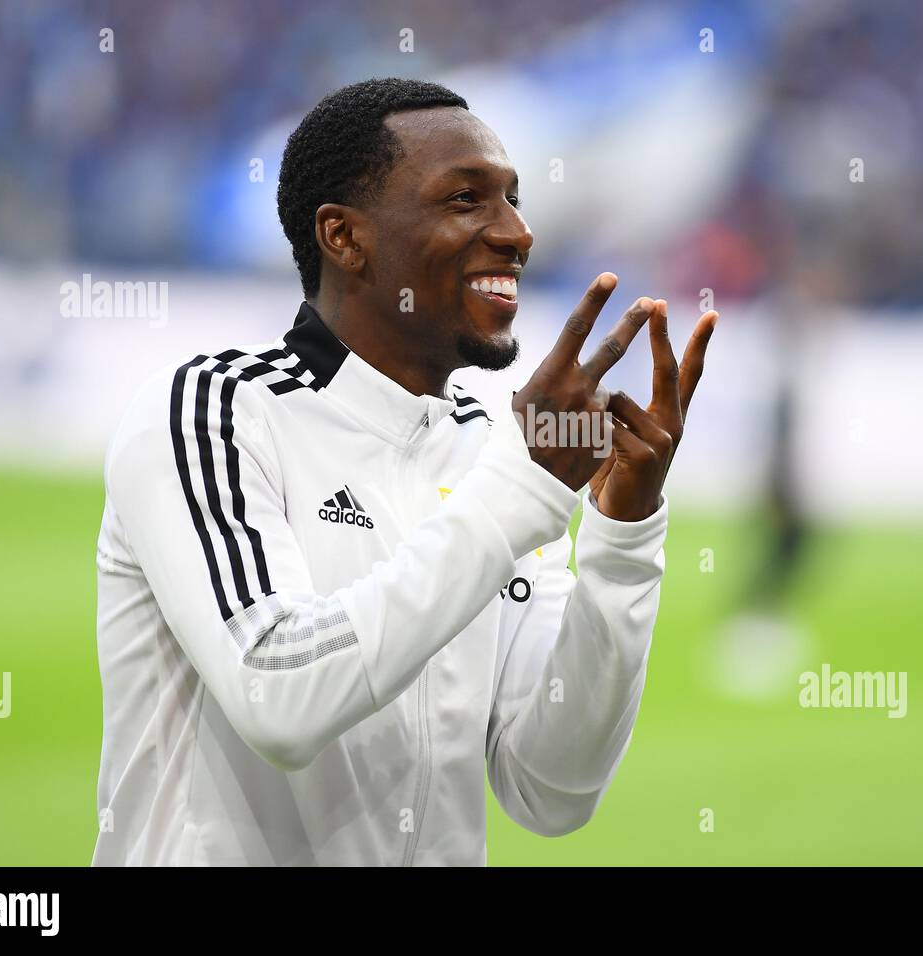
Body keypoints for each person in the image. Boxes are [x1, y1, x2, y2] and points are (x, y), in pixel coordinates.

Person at [92, 78, 717, 865]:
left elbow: (551, 788)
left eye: (514, 199)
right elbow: (277, 696)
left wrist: (623, 541)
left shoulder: (494, 452)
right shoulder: (212, 412)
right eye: (466, 199)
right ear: (345, 238)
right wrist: (523, 490)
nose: (518, 232)